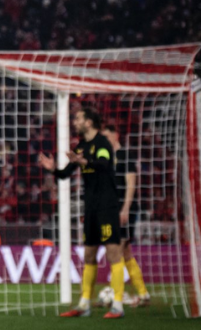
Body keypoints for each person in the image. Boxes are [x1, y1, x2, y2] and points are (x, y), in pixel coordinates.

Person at [40, 107, 125, 318]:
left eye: (78, 119)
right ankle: (84, 304)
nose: (75, 122)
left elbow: (104, 164)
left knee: (113, 252)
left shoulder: (102, 143)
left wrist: (83, 161)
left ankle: (118, 305)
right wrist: (53, 169)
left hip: (107, 206)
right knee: (89, 255)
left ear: (89, 122)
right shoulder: (81, 147)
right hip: (91, 207)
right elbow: (65, 173)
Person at [100, 124, 151, 307]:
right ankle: (143, 294)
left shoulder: (125, 155)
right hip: (111, 210)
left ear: (116, 135)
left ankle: (117, 296)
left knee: (116, 250)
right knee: (125, 251)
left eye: (107, 136)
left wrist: (126, 208)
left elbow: (131, 183)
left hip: (124, 210)